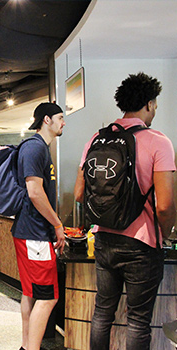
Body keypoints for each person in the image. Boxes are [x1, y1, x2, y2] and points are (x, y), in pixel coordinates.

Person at [74, 72, 176, 350]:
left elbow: (80, 194)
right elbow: (166, 204)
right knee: (138, 321)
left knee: (102, 313)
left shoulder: (96, 139)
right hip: (142, 244)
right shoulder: (159, 141)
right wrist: (162, 235)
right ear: (150, 104)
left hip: (104, 240)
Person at [11, 102, 66, 350]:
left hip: (29, 232)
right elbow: (35, 192)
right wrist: (57, 224)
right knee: (48, 297)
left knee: (30, 293)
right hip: (34, 233)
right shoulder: (35, 148)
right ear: (47, 119)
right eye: (60, 118)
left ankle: (26, 346)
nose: (64, 122)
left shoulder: (40, 148)